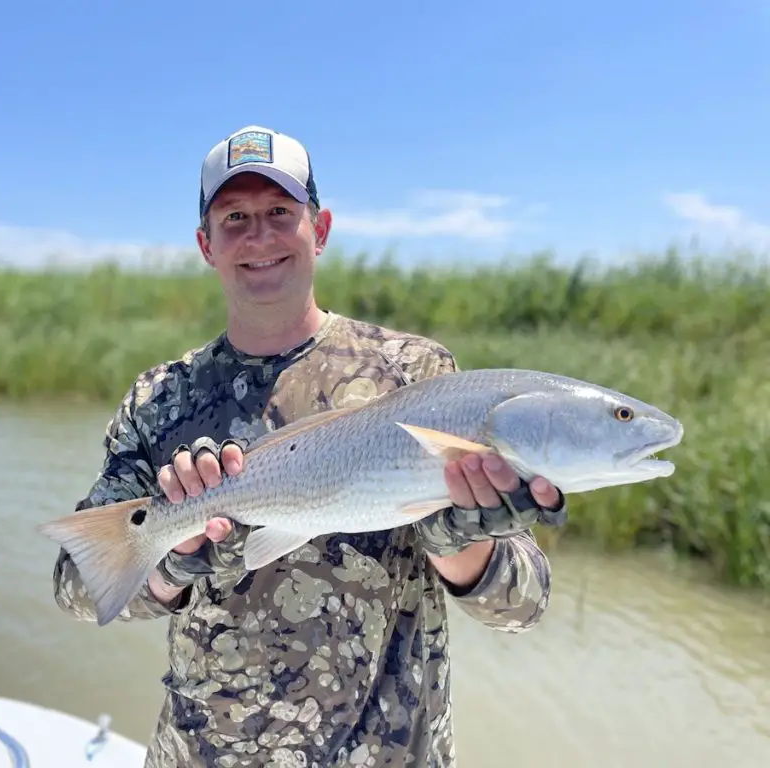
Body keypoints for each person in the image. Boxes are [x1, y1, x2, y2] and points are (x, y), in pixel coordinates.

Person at [52, 125, 569, 767]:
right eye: (235, 217)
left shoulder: (417, 372)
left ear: (319, 229)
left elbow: (522, 606)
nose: (259, 237)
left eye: (279, 213)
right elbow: (80, 589)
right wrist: (174, 558)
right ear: (205, 245)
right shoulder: (161, 398)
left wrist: (463, 540)